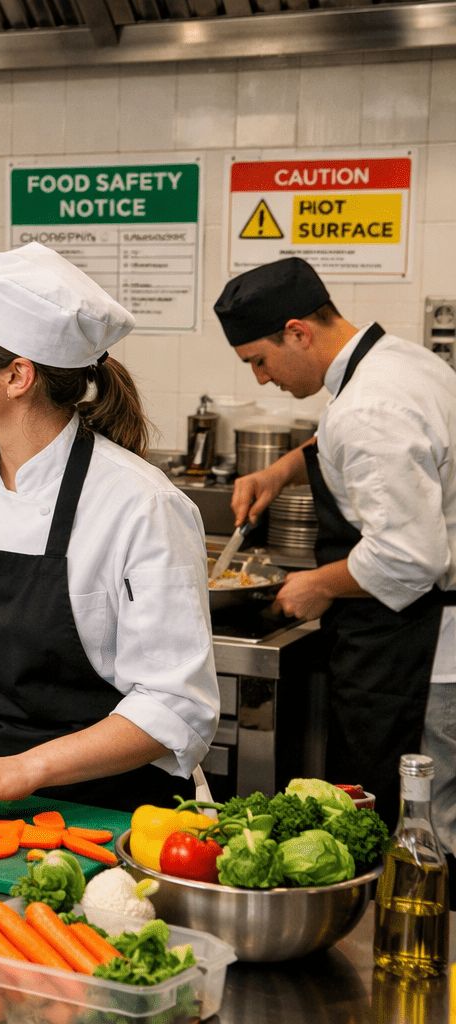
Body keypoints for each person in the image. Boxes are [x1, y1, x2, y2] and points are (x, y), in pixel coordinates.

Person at [0, 243, 219, 817]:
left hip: (110, 819)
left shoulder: (142, 504)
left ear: (18, 376)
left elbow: (176, 707)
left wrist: (25, 769)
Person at [215, 256, 456, 840]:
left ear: (298, 331)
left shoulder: (371, 406)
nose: (262, 379)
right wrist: (279, 474)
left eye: (260, 361)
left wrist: (315, 584)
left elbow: (409, 556)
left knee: (419, 827)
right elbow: (338, 441)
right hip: (412, 637)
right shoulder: (399, 363)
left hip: (418, 651)